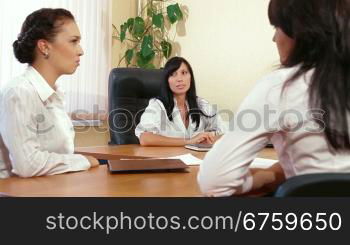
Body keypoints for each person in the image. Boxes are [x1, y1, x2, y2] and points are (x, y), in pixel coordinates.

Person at [198, 0, 350, 196]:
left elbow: (214, 182)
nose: (274, 38)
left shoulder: (282, 86)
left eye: (277, 27)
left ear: (300, 31)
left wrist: (263, 178)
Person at [0, 8, 99, 178]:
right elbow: (27, 164)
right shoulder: (19, 92)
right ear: (44, 47)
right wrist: (82, 160)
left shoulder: (55, 95)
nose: (81, 50)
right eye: (73, 41)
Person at [135, 56, 227, 146]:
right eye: (173, 74)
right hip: (168, 159)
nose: (179, 79)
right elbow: (145, 138)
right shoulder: (158, 105)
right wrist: (189, 141)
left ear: (190, 77)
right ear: (167, 80)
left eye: (184, 73)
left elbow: (224, 133)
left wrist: (209, 138)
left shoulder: (201, 104)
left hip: (194, 159)